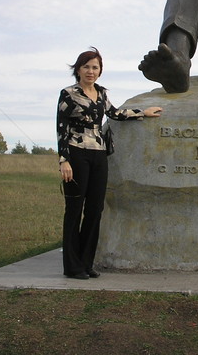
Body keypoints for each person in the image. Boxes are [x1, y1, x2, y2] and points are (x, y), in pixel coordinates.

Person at [57, 47, 162, 279]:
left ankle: (86, 263)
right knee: (74, 210)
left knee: (95, 210)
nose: (91, 71)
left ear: (100, 70)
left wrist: (142, 112)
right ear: (78, 69)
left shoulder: (102, 94)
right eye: (86, 67)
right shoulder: (68, 94)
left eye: (95, 67)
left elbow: (115, 113)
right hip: (76, 155)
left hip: (99, 155)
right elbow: (61, 128)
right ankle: (72, 266)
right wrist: (64, 160)